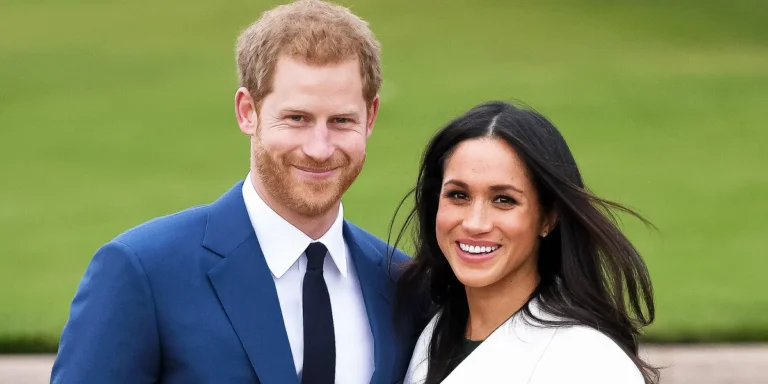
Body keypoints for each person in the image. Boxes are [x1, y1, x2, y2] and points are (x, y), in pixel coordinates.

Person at [51, 1, 423, 383]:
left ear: (371, 117)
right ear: (248, 111)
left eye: (342, 121)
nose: (319, 148)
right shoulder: (143, 272)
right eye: (297, 118)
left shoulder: (403, 285)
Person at [394, 101, 660, 384]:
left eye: (504, 200)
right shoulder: (429, 332)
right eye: (459, 195)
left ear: (547, 218)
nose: (475, 223)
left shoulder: (589, 362)